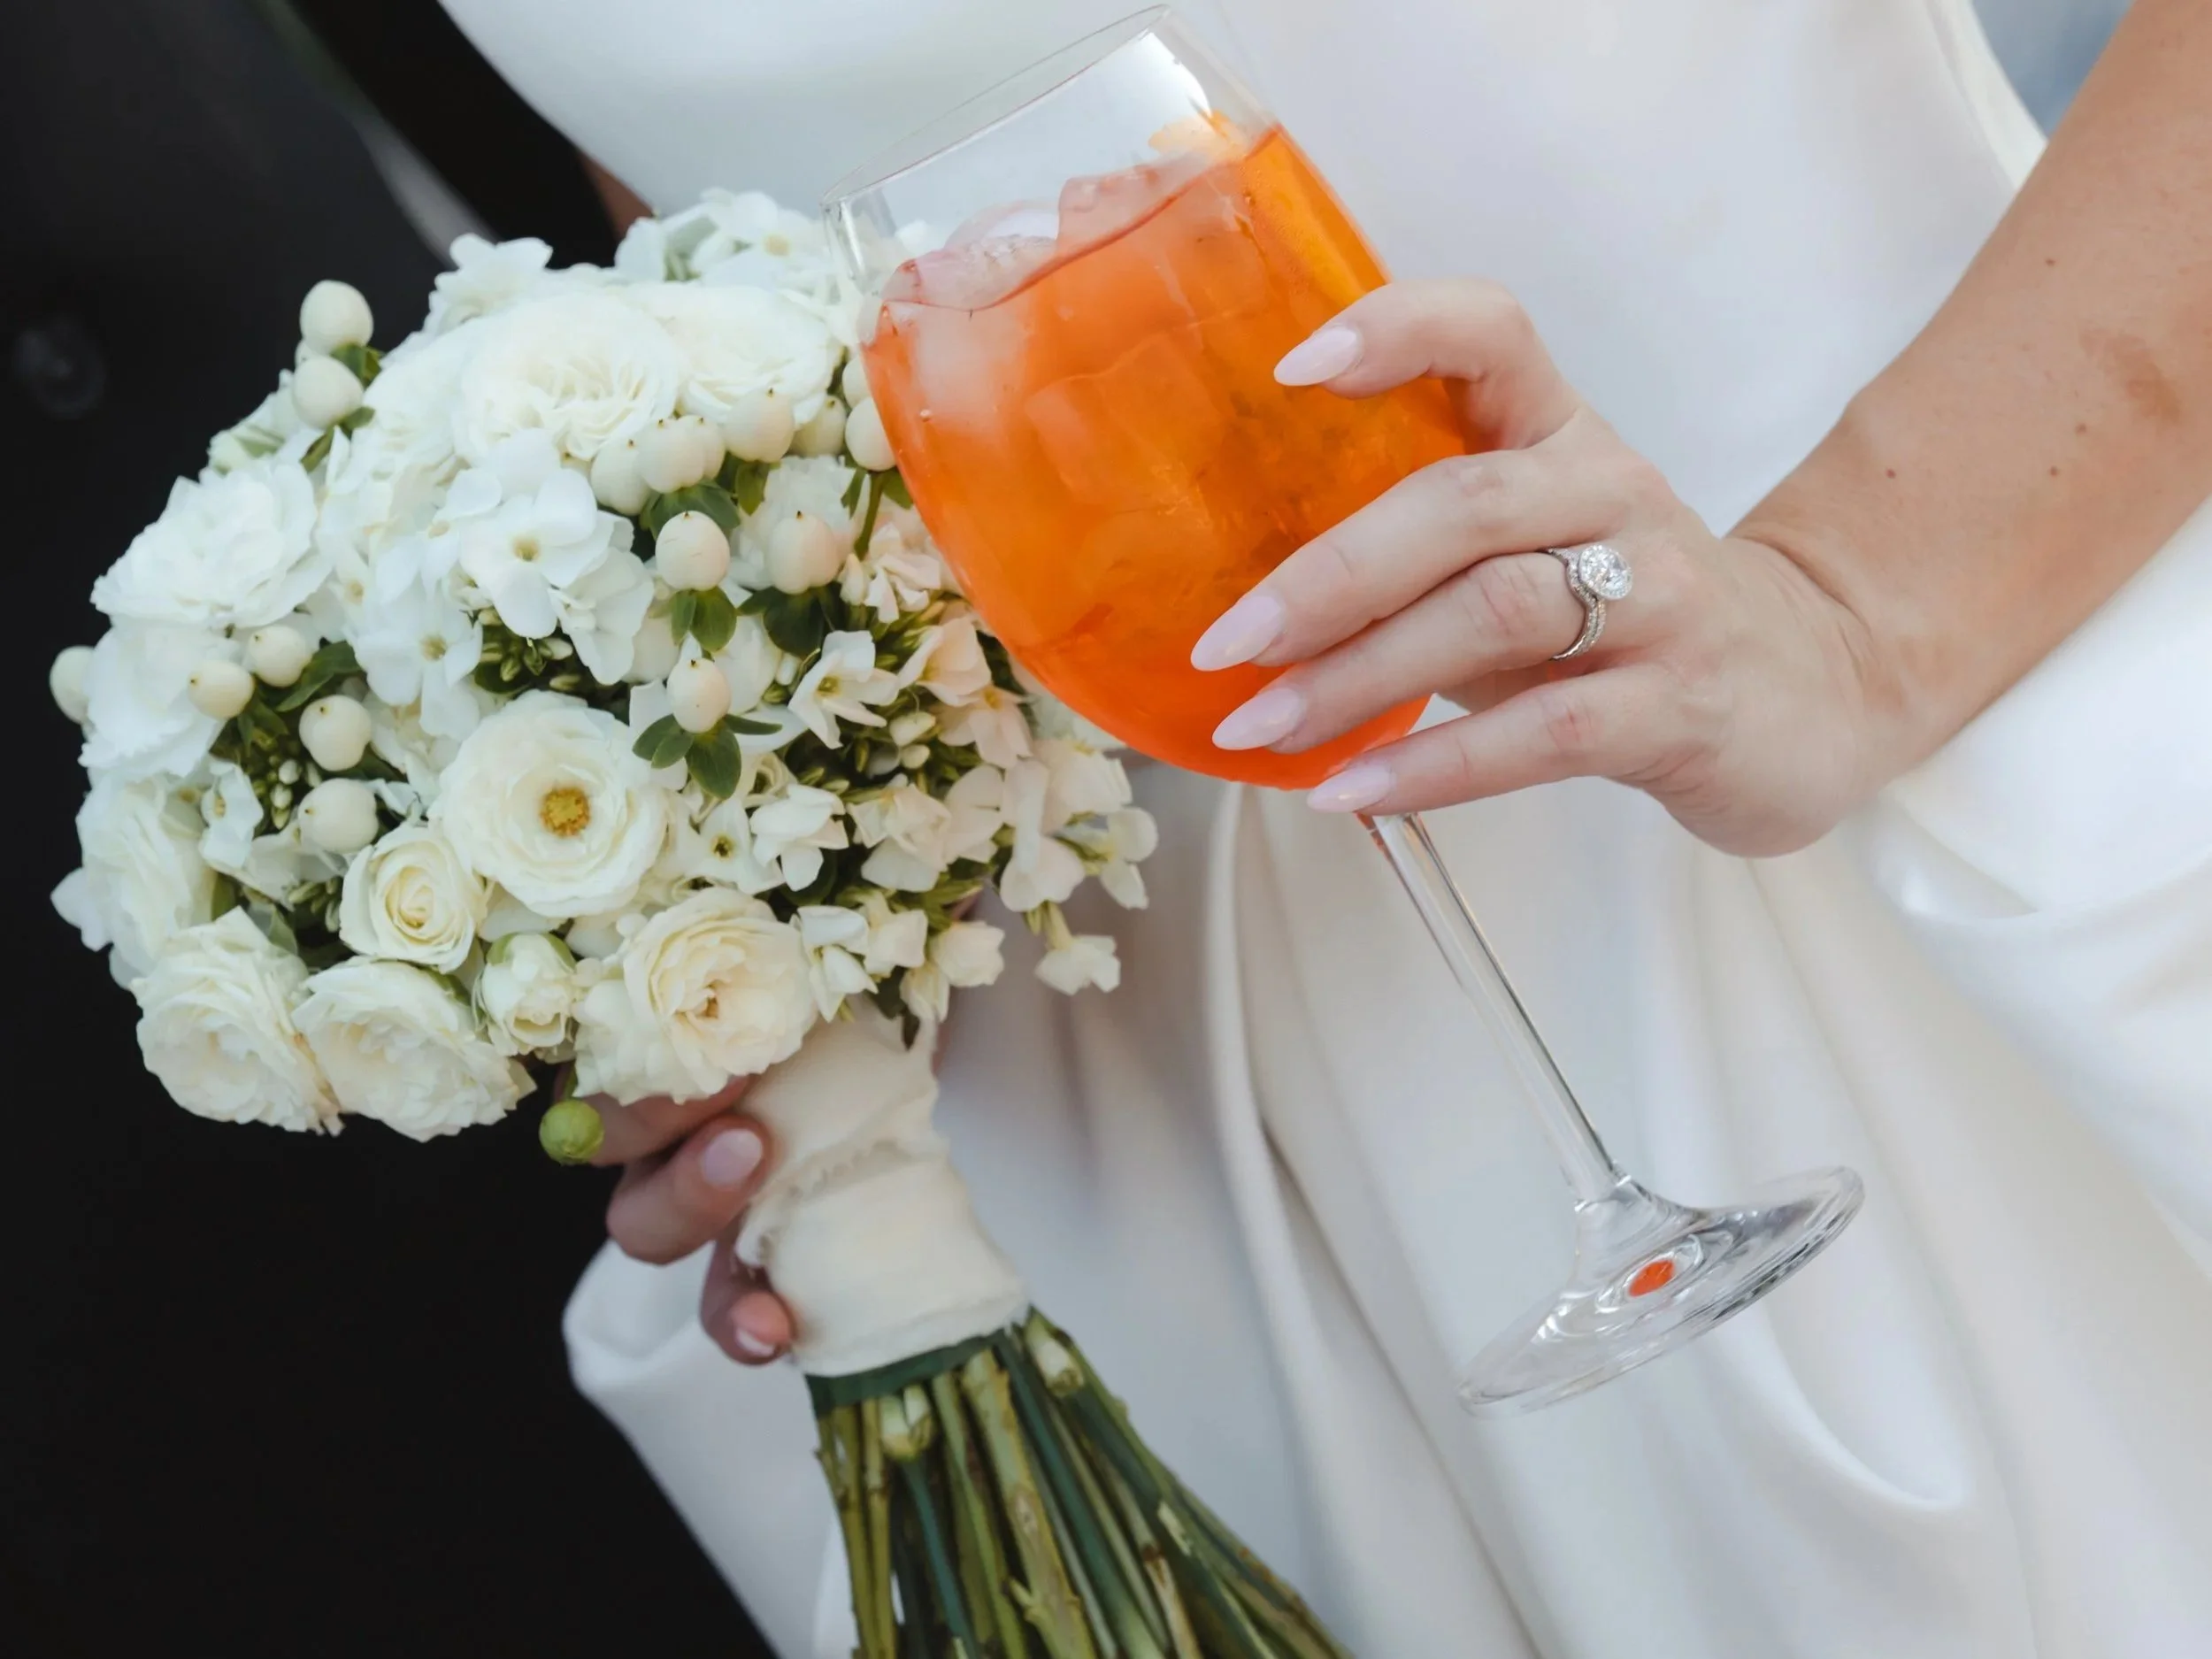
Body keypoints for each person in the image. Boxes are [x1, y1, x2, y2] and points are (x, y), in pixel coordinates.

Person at [435, 0, 2212, 1653]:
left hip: (1963, 715)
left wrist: (1842, 612)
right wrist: (800, 920)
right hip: (1162, 1157)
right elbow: (762, 262)